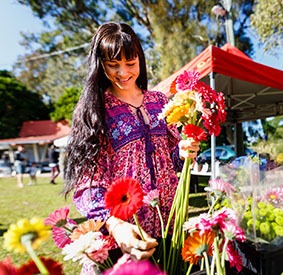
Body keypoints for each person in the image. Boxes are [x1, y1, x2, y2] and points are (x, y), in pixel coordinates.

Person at [63, 22, 199, 274]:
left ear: (140, 59)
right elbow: (87, 182)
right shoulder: (95, 110)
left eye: (130, 63)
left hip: (168, 227)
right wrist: (115, 225)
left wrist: (183, 151)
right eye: (113, 64)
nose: (123, 72)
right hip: (123, 234)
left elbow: (174, 161)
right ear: (100, 65)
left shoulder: (160, 102)